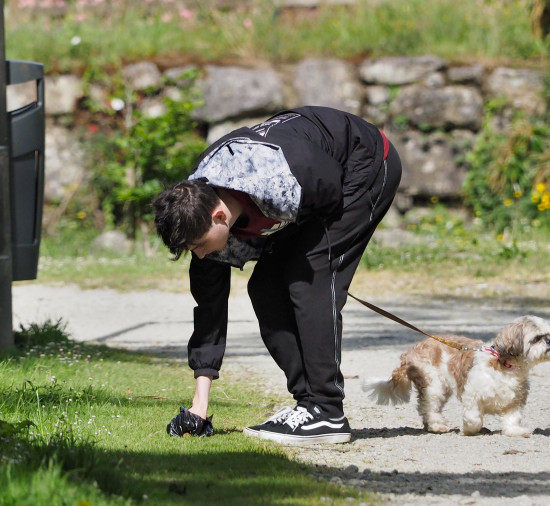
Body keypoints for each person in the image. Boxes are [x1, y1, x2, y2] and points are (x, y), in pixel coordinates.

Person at [152, 106, 402, 445]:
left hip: (364, 164)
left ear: (220, 216)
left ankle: (327, 411)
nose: (198, 254)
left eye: (197, 246)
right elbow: (209, 307)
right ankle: (308, 405)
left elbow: (328, 194)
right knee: (265, 286)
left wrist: (325, 265)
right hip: (313, 186)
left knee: (306, 275)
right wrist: (200, 404)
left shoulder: (279, 179)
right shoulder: (197, 207)